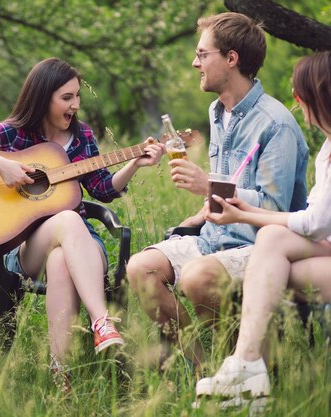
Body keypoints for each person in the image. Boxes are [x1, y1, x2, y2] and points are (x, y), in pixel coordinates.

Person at [0, 57, 164, 389]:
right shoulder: (15, 134)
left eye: (77, 97)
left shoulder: (82, 135)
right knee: (68, 219)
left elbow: (102, 189)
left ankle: (61, 373)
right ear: (44, 97)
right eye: (66, 97)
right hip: (29, 248)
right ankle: (102, 320)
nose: (75, 105)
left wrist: (134, 164)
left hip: (82, 246)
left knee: (62, 254)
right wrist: (2, 166)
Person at [126, 12, 309, 363]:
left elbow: (273, 206)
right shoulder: (217, 111)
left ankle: (244, 366)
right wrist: (199, 213)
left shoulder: (276, 124)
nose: (195, 63)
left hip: (260, 246)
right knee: (141, 269)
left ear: (231, 59)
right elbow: (226, 189)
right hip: (213, 239)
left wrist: (206, 184)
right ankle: (202, 371)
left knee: (197, 277)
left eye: (202, 54)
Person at [194, 50, 331, 409]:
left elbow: (314, 223)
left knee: (271, 249)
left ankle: (247, 369)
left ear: (318, 97)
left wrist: (247, 216)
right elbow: (318, 218)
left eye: (299, 97)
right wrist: (247, 211)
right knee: (275, 268)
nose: (297, 106)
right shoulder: (328, 149)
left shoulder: (281, 126)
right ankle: (250, 379)